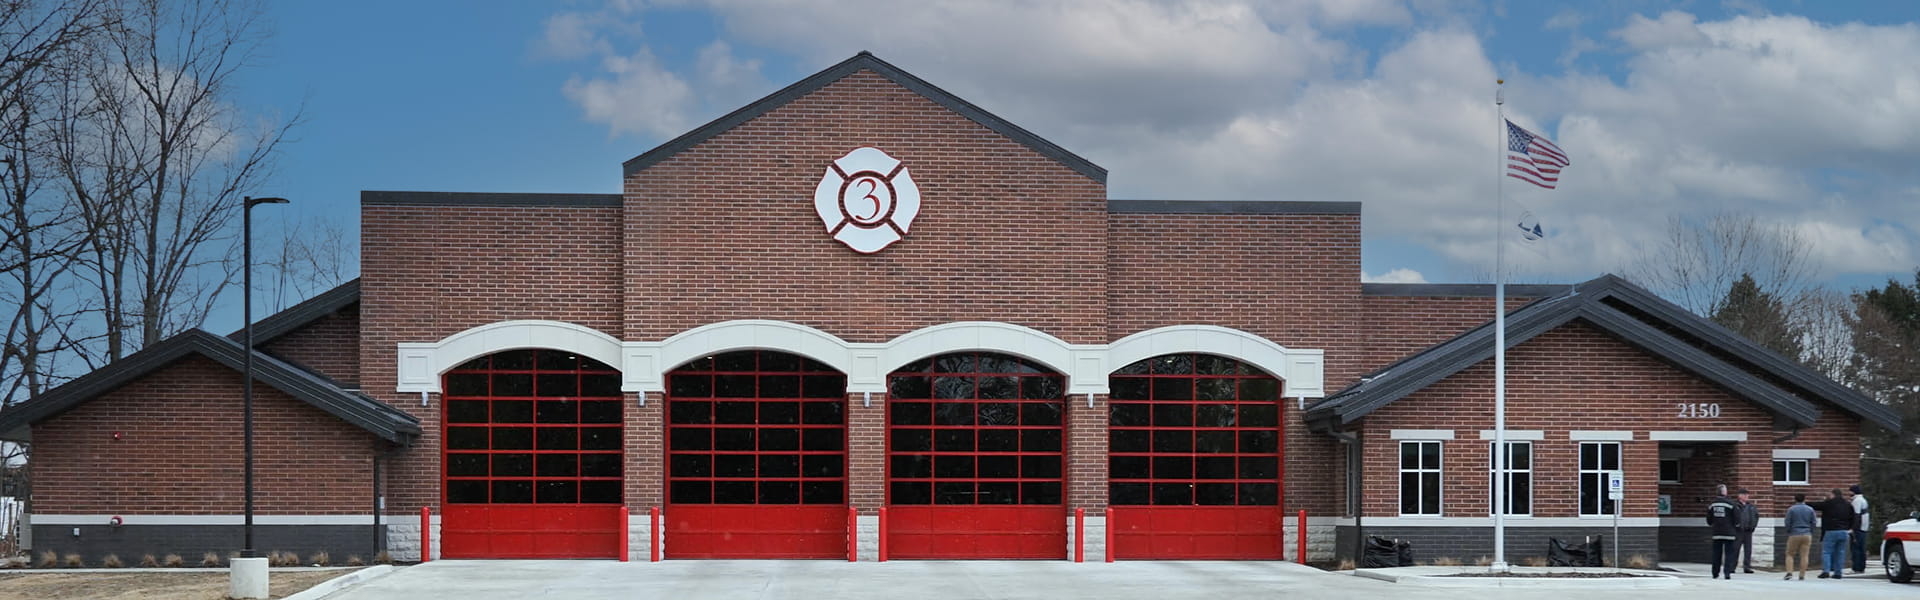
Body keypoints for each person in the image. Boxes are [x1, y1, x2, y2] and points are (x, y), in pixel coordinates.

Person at [1818, 488, 1857, 579]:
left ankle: (1826, 571)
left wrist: (1805, 503)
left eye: (1830, 494)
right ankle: (1838, 572)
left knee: (1827, 552)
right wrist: (1851, 528)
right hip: (1844, 531)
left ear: (1833, 494)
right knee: (1840, 552)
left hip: (1831, 530)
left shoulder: (1829, 503)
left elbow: (1817, 505)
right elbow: (1854, 517)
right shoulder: (1848, 504)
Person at [1707, 484, 1740, 579]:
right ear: (1724, 492)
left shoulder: (1712, 504)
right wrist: (1736, 527)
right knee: (1729, 553)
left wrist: (1713, 524)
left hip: (1717, 532)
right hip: (1729, 533)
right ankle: (1727, 573)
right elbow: (1737, 518)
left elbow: (1709, 520)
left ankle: (1715, 573)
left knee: (1716, 553)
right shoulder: (1731, 504)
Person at [1784, 493, 1817, 580]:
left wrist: (1788, 531)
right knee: (1804, 555)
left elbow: (1787, 522)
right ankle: (1802, 574)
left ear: (1795, 499)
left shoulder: (1791, 509)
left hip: (1794, 533)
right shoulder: (1810, 509)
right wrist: (1811, 531)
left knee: (1790, 554)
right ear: (1804, 499)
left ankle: (1789, 573)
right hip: (1806, 533)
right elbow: (1814, 522)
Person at [1736, 488, 1759, 573]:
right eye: (1744, 494)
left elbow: (1756, 516)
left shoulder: (1751, 506)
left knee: (1748, 550)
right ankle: (1732, 566)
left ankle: (1747, 567)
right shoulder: (1736, 506)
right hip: (1738, 531)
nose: (1746, 496)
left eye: (1747, 495)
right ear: (1739, 496)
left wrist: (1753, 526)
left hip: (1748, 531)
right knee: (1735, 549)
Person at [1849, 484, 1870, 573]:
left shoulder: (1857, 501)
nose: (1848, 493)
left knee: (1856, 548)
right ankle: (1862, 567)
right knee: (1862, 548)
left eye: (1850, 491)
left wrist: (1853, 528)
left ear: (1853, 491)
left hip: (1859, 528)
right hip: (1864, 527)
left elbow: (1856, 515)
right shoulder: (1863, 500)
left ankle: (1857, 567)